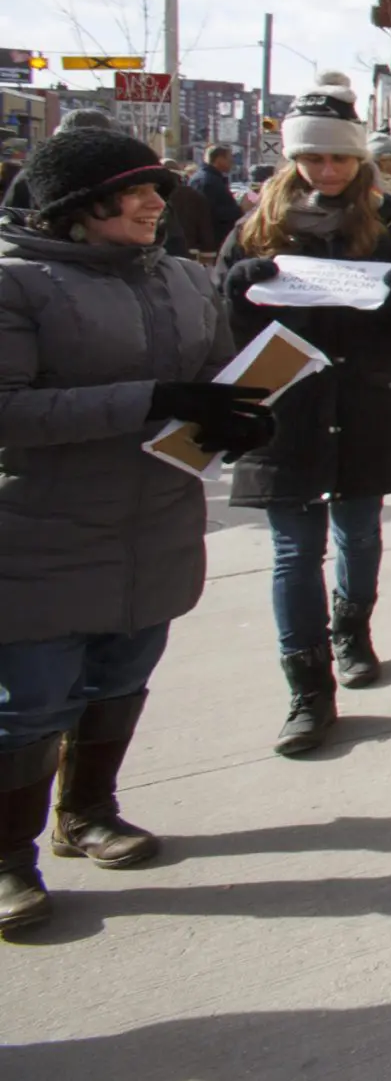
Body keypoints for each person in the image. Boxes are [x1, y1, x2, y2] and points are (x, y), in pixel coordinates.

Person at [0, 131, 272, 933]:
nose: (158, 201)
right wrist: (155, 399)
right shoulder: (17, 286)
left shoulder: (187, 277)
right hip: (44, 529)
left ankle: (88, 812)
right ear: (77, 207)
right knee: (31, 702)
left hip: (156, 522)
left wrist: (239, 424)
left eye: (159, 188)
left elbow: (216, 384)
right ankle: (9, 859)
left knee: (120, 676)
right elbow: (8, 409)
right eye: (136, 190)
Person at [215, 73, 391, 757]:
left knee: (359, 532)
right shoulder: (259, 227)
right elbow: (223, 329)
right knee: (293, 551)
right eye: (313, 157)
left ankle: (353, 632)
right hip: (287, 410)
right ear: (293, 160)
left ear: (359, 160)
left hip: (365, 402)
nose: (326, 169)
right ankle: (308, 688)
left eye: (339, 157)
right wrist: (234, 290)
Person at [189, 145, 244, 246]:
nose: (232, 163)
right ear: (219, 159)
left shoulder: (207, 178)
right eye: (229, 159)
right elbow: (209, 212)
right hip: (210, 242)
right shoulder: (208, 181)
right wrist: (241, 209)